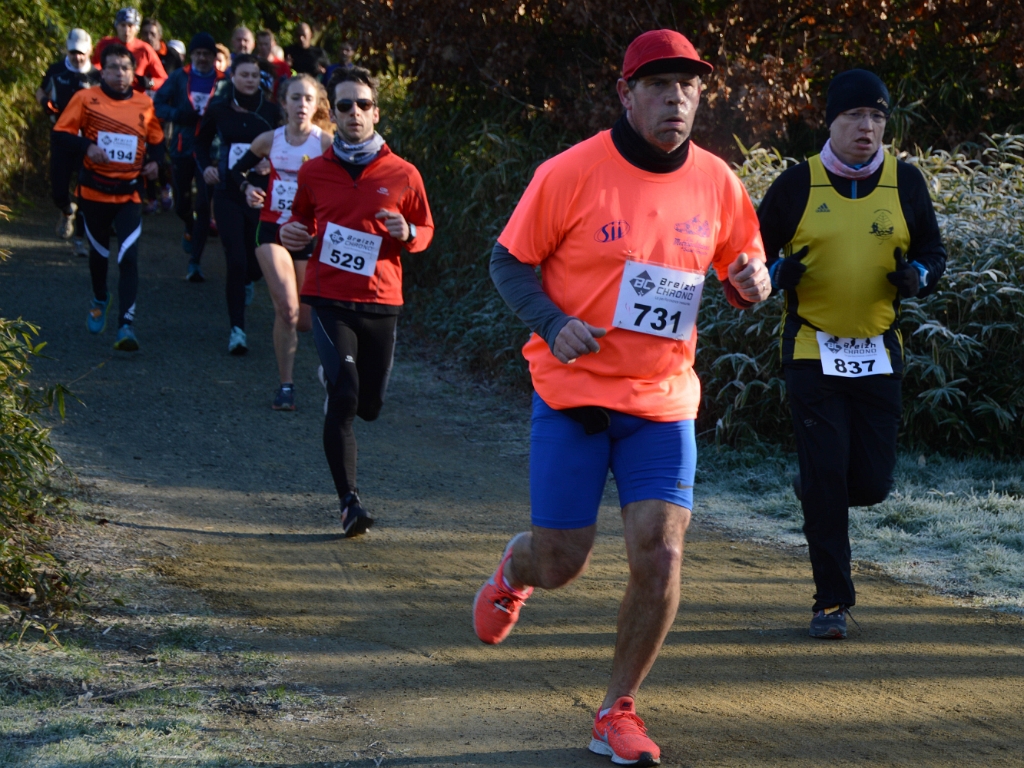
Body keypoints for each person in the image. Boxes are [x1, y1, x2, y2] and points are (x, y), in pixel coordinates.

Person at [472, 29, 770, 767]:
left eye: (689, 85)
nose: (677, 99)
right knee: (562, 560)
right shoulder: (571, 172)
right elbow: (508, 261)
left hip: (663, 401)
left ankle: (616, 710)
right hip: (574, 397)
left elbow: (742, 266)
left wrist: (751, 282)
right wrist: (553, 323)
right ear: (626, 93)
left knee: (662, 555)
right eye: (659, 85)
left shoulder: (717, 181)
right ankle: (515, 571)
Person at [756, 70, 947, 640]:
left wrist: (918, 275)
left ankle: (817, 484)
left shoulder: (906, 182)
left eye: (877, 117)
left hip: (878, 351)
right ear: (831, 122)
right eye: (855, 115)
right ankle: (831, 603)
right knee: (828, 481)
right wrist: (777, 272)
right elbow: (749, 256)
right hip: (811, 349)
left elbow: (933, 250)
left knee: (871, 483)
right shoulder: (797, 185)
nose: (867, 127)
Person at [280, 66, 434, 535]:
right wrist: (292, 236)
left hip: (382, 300)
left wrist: (407, 232)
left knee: (369, 406)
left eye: (362, 104)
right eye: (344, 105)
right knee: (344, 395)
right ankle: (349, 503)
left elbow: (426, 229)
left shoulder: (403, 173)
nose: (354, 113)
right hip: (328, 297)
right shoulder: (313, 172)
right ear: (333, 113)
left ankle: (337, 379)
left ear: (375, 112)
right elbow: (300, 222)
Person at [53, 43, 165, 352]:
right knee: (99, 255)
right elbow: (60, 134)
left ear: (133, 73)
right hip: (93, 192)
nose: (119, 73)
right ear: (102, 72)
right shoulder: (85, 99)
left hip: (129, 194)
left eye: (125, 68)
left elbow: (157, 140)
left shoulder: (144, 103)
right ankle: (100, 297)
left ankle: (125, 325)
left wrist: (156, 162)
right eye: (113, 67)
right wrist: (86, 146)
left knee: (128, 257)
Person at [231, 75, 332, 410]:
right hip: (272, 230)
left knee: (304, 321)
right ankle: (286, 386)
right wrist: (248, 188)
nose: (302, 104)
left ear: (317, 105)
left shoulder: (325, 143)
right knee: (287, 309)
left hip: (307, 234)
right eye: (295, 98)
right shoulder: (268, 140)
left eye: (308, 99)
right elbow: (235, 171)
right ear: (284, 103)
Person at [194, 53, 279, 354]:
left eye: (254, 75)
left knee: (256, 264)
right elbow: (200, 143)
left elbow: (286, 145)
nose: (250, 80)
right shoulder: (219, 109)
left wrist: (272, 163)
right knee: (236, 260)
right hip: (228, 191)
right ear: (232, 77)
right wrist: (206, 167)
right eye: (244, 75)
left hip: (261, 194)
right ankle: (237, 330)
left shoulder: (271, 111)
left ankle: (249, 280)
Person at [154, 32, 225, 281]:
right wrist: (177, 114)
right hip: (182, 146)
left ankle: (195, 262)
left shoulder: (224, 81)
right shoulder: (179, 77)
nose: (202, 58)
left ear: (214, 57)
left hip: (211, 151)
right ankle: (189, 225)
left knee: (204, 204)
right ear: (191, 55)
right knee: (182, 204)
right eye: (198, 53)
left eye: (207, 54)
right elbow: (158, 104)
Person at [37, 28, 100, 257]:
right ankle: (66, 210)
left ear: (89, 50)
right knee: (58, 190)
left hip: (87, 139)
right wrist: (44, 103)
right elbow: (40, 90)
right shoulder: (56, 70)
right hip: (61, 135)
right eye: (73, 52)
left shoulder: (97, 76)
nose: (77, 57)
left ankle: (80, 241)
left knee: (85, 189)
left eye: (81, 53)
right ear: (67, 49)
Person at [92, 8, 168, 93]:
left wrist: (150, 82)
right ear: (116, 26)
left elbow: (164, 79)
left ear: (137, 28)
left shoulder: (145, 49)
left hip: (134, 96)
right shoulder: (105, 44)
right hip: (107, 94)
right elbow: (93, 67)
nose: (126, 30)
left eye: (130, 26)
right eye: (123, 25)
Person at [255, 29, 291, 98]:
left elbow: (288, 87)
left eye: (266, 44)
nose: (263, 47)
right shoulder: (252, 63)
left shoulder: (282, 66)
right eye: (260, 44)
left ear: (273, 44)